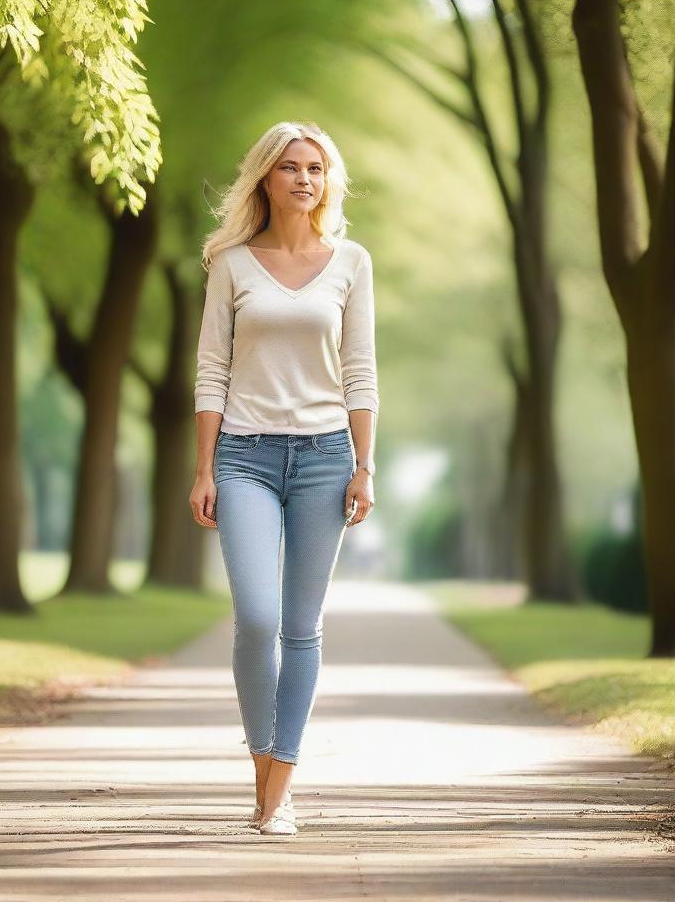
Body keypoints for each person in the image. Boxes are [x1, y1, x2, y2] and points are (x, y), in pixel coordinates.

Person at [189, 120, 379, 836]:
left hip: (326, 457)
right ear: (265, 178)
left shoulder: (351, 262)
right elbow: (212, 368)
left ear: (327, 182)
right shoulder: (231, 263)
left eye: (316, 168)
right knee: (259, 619)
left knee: (301, 628)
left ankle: (282, 788)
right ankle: (264, 769)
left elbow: (360, 373)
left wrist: (365, 466)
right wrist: (203, 467)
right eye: (291, 167)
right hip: (243, 456)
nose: (305, 178)